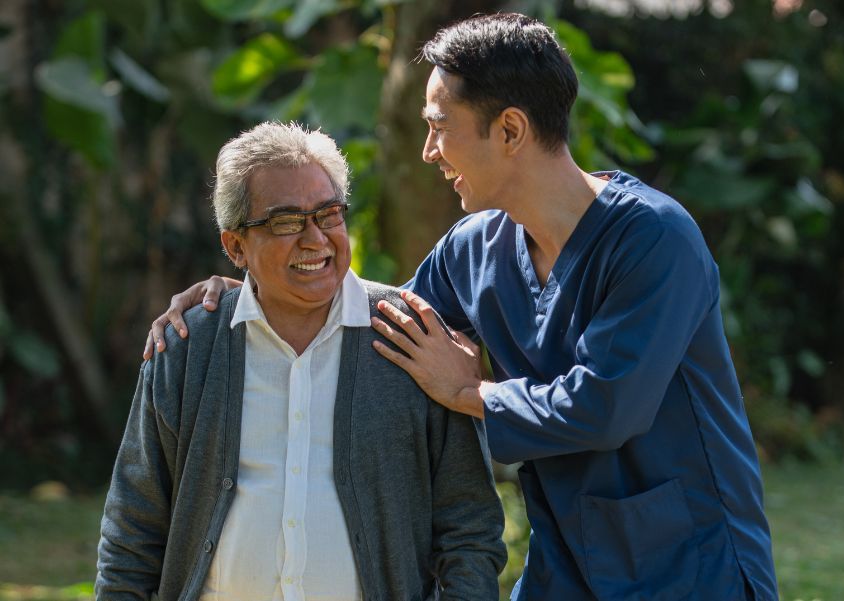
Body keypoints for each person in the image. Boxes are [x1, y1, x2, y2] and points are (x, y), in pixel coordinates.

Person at [146, 13, 778, 600]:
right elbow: (377, 327)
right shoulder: (475, 248)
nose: (428, 151)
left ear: (509, 130)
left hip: (692, 563)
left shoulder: (655, 240)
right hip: (567, 563)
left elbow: (606, 407)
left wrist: (469, 393)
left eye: (439, 127)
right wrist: (256, 284)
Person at [98, 121, 506, 601]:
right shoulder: (189, 347)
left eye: (329, 214)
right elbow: (132, 530)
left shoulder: (411, 338)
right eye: (286, 221)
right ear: (235, 247)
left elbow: (469, 532)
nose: (315, 239)